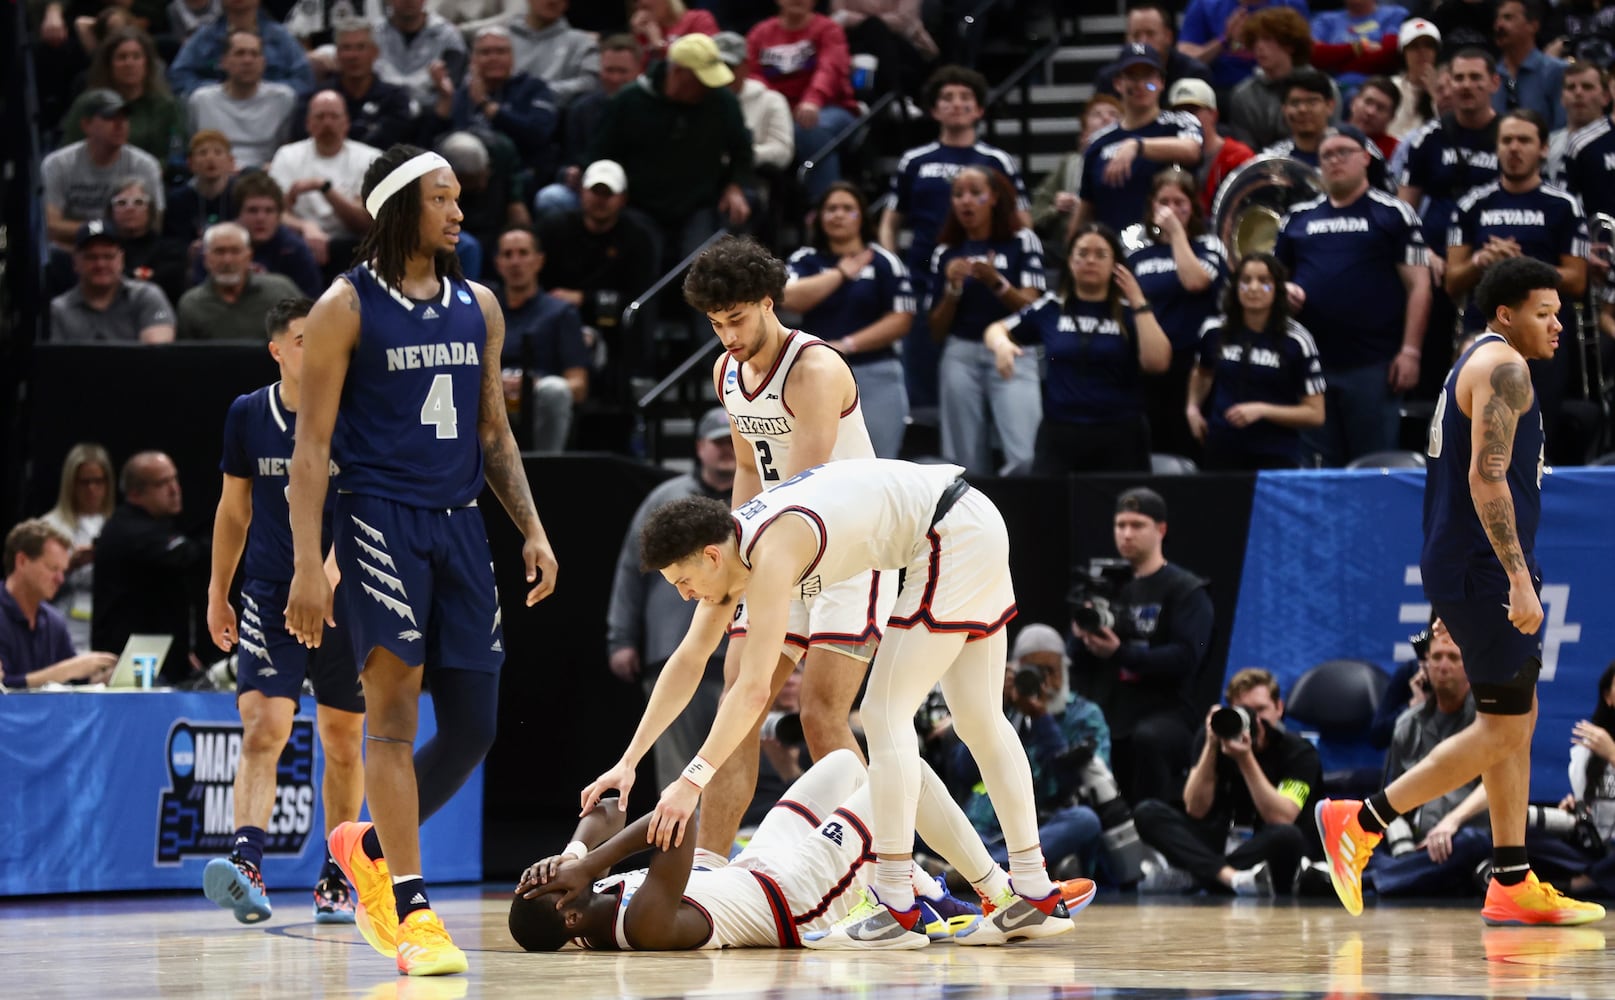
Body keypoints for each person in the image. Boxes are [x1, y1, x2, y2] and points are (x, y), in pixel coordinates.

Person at [580, 458, 1071, 949]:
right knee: (980, 718)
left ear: (710, 557)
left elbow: (752, 690)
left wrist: (691, 783)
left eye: (682, 583)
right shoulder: (735, 550)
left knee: (881, 713)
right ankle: (1032, 891)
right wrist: (628, 762)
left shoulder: (772, 551)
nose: (686, 596)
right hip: (970, 522)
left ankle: (894, 903)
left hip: (948, 535)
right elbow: (687, 662)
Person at [285, 143, 560, 976]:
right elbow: (311, 447)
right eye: (443, 199)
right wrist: (307, 564)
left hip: (461, 526)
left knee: (474, 724)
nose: (459, 212)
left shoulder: (479, 303)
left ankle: (366, 847)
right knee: (394, 717)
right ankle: (410, 910)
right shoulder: (344, 306)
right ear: (402, 207)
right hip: (379, 523)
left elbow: (493, 429)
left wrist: (533, 528)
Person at [1316, 256, 1607, 927]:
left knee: (1517, 720)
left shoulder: (1477, 359)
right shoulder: (1503, 368)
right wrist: (1514, 577)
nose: (1559, 325)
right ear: (1504, 313)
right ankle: (1359, 821)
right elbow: (1486, 480)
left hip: (1466, 560)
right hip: (1481, 567)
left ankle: (1510, 877)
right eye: (1545, 313)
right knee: (1503, 727)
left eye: (1559, 313)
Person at [666, 236, 894, 876]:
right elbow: (747, 466)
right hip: (777, 545)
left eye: (736, 319)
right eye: (715, 325)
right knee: (740, 698)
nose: (727, 336)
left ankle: (884, 871)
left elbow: (806, 488)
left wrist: (751, 562)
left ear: (769, 302)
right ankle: (709, 865)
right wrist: (735, 545)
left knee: (823, 714)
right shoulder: (725, 373)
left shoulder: (816, 370)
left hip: (850, 547)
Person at [514, 749, 1087, 950]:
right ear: (567, 911)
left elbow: (609, 809)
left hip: (758, 866)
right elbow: (676, 821)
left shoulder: (578, 909)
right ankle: (993, 892)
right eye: (548, 885)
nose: (549, 876)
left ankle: (917, 886)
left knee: (842, 764)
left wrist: (571, 852)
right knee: (903, 771)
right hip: (794, 898)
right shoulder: (644, 926)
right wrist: (587, 863)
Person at [201, 297, 366, 927]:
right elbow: (233, 510)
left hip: (345, 590)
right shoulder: (248, 414)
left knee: (344, 741)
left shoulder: (353, 412)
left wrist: (323, 578)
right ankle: (246, 862)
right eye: (303, 339)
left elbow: (365, 509)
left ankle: (336, 875)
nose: (317, 349)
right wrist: (219, 590)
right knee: (263, 725)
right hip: (270, 592)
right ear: (278, 350)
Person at [1275, 125, 1429, 466]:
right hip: (1311, 364)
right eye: (1327, 155)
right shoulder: (1297, 219)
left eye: (1343, 152)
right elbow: (1273, 283)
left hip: (1375, 363)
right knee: (1317, 468)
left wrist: (1411, 351)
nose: (1334, 161)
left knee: (1373, 464)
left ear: (1365, 158)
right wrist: (1283, 294)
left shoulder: (1393, 213)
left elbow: (1419, 285)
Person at [880, 64, 1030, 409]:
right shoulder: (915, 160)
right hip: (925, 280)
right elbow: (891, 219)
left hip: (984, 279)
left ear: (979, 109)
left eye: (966, 97)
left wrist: (1014, 264)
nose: (957, 103)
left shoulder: (997, 160)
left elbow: (1022, 221)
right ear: (934, 109)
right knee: (924, 375)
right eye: (947, 97)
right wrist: (895, 267)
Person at [1446, 109, 1587, 463]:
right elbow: (1451, 280)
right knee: (1480, 434)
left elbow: (1578, 280)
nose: (1514, 148)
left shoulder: (1564, 206)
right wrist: (1481, 261)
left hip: (1544, 336)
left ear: (1542, 149)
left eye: (1524, 140)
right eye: (1507, 140)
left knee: (1539, 433)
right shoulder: (1471, 204)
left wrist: (1521, 267)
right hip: (1485, 333)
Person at [607, 408, 736, 790]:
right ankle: (684, 849)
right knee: (677, 773)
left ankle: (728, 847)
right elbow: (632, 569)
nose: (726, 451)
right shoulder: (666, 499)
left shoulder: (759, 503)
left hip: (739, 650)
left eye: (732, 441)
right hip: (671, 647)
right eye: (718, 443)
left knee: (733, 767)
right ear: (699, 447)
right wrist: (621, 638)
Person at [1068, 488, 1215, 808]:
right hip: (1111, 708)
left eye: (1137, 525)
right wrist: (1081, 635)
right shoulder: (1108, 585)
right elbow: (1074, 660)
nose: (1126, 534)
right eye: (1120, 525)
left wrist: (1121, 653)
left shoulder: (1187, 590)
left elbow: (1189, 657)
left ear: (1161, 529)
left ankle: (1154, 825)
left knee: (1147, 738)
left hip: (1168, 711)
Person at [985, 223, 1170, 474]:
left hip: (1120, 436)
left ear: (1116, 263)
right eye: (1082, 253)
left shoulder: (1130, 311)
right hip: (1060, 435)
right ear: (1070, 262)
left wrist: (1138, 301)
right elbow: (996, 329)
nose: (1090, 260)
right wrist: (1002, 346)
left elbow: (1158, 362)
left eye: (1100, 254)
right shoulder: (1052, 307)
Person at [1133, 668, 1320, 897]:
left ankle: (1196, 875)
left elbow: (1282, 817)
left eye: (1261, 709)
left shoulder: (1299, 752)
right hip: (1217, 840)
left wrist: (1245, 758)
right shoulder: (1212, 738)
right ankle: (1229, 878)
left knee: (1287, 836)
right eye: (1245, 711)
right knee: (1147, 812)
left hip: (1264, 849)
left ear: (1279, 708)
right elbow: (1195, 809)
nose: (1255, 719)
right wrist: (1211, 746)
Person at [586, 32, 753, 271]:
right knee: (642, 263)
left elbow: (742, 151)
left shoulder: (722, 101)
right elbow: (601, 153)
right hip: (639, 205)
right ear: (678, 72)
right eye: (701, 79)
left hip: (700, 204)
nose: (708, 87)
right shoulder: (629, 101)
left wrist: (735, 185)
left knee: (705, 268)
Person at [954, 624, 1107, 878]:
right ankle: (997, 868)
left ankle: (979, 870)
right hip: (983, 828)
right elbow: (963, 772)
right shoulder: (1001, 711)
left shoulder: (1084, 715)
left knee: (1085, 821)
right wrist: (991, 706)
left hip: (1043, 827)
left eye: (1050, 671)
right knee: (921, 817)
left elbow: (1076, 784)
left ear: (1065, 671)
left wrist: (1042, 718)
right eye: (1031, 672)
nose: (1042, 681)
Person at [929, 167, 1047, 475]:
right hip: (960, 353)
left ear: (994, 197)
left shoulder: (1022, 241)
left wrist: (997, 283)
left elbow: (1034, 309)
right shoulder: (946, 252)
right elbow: (936, 330)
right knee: (961, 464)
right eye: (958, 194)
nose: (966, 201)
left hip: (1013, 350)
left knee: (1025, 455)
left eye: (975, 193)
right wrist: (952, 290)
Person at [783, 182, 915, 458]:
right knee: (821, 462)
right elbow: (788, 298)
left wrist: (846, 344)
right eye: (831, 209)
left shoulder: (884, 262)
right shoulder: (804, 259)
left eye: (848, 209)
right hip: (816, 375)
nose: (838, 215)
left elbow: (901, 320)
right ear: (819, 217)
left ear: (862, 217)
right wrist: (840, 274)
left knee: (879, 462)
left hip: (876, 372)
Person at [1365, 620, 1495, 898]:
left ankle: (1371, 882)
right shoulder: (1407, 723)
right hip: (1417, 842)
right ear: (1425, 666)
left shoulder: (1489, 721)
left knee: (1472, 845)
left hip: (1465, 832)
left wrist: (1452, 821)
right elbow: (1389, 795)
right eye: (1436, 657)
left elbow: (1498, 786)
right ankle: (1403, 873)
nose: (1443, 665)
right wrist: (1402, 842)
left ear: (1470, 669)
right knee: (1367, 839)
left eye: (1453, 657)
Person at [1124, 167, 1229, 459]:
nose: (1171, 210)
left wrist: (1177, 234)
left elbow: (1195, 281)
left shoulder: (1208, 246)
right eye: (1164, 202)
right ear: (1151, 207)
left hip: (1196, 369)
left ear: (1193, 208)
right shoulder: (1138, 255)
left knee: (1192, 449)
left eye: (1179, 202)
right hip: (1150, 367)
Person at [1188, 252, 1327, 470]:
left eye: (1264, 281)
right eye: (1245, 280)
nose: (1253, 288)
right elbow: (1202, 372)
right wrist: (1192, 408)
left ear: (1278, 289)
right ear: (1235, 287)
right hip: (1222, 447)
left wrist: (1263, 410)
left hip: (1275, 452)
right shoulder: (1214, 330)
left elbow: (1315, 414)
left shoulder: (1297, 340)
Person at [535, 159, 659, 400]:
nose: (600, 200)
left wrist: (583, 298)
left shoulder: (637, 237)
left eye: (608, 193)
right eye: (595, 191)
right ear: (582, 192)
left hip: (611, 329)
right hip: (556, 319)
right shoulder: (553, 229)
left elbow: (640, 296)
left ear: (622, 198)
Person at [92, 451, 207, 685]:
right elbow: (190, 556)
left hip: (158, 660)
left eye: (174, 479)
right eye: (163, 483)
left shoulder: (154, 526)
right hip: (129, 668)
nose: (174, 489)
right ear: (135, 492)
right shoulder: (130, 531)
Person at [1076, 45, 1204, 241]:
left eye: (1149, 78)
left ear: (1161, 82)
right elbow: (1086, 207)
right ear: (1118, 83)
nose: (1141, 85)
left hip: (1166, 248)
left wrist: (1138, 146)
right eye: (1133, 77)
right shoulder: (1098, 142)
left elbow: (1192, 149)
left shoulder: (1179, 123)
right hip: (1114, 252)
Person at [746, 0, 861, 207]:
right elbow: (752, 74)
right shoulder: (760, 33)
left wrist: (813, 99)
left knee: (809, 127)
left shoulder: (827, 28)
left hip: (831, 109)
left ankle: (824, 209)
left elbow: (830, 68)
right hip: (780, 112)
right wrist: (777, 105)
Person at [493, 226, 590, 453]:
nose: (515, 262)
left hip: (538, 400)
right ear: (498, 263)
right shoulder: (482, 309)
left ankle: (547, 467)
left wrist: (531, 385)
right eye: (508, 254)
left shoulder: (561, 312)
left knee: (554, 389)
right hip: (492, 398)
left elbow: (579, 385)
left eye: (523, 253)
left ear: (539, 261)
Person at [267, 91, 382, 276]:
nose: (327, 123)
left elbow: (365, 223)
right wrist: (305, 226)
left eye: (334, 116)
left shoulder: (370, 158)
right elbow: (275, 212)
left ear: (346, 123)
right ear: (308, 124)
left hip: (352, 245)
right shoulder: (287, 155)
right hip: (298, 242)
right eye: (320, 116)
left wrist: (324, 188)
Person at [42, 89, 167, 252]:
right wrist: (104, 230)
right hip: (73, 251)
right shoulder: (57, 164)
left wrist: (99, 234)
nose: (120, 124)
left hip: (131, 250)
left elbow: (154, 225)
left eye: (124, 117)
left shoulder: (145, 164)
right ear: (86, 125)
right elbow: (51, 226)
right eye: (110, 118)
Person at [0, 520, 117, 690]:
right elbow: (4, 687)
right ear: (22, 561)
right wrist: (62, 672)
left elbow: (73, 679)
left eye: (63, 571)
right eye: (53, 568)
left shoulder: (53, 621)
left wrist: (101, 678)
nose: (60, 579)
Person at [58, 27, 186, 165]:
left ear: (147, 64)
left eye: (136, 57)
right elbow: (68, 153)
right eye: (122, 57)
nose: (129, 63)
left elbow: (177, 155)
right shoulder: (89, 105)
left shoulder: (167, 105)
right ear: (109, 65)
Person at [185, 29, 298, 171]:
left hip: (266, 177)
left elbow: (289, 150)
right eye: (240, 53)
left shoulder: (283, 99)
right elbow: (193, 149)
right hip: (215, 177)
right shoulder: (201, 100)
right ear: (224, 62)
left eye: (254, 54)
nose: (247, 60)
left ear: (263, 62)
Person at [50, 220, 177, 344]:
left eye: (108, 256)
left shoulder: (147, 296)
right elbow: (57, 361)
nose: (100, 264)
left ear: (121, 260)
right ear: (75, 262)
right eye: (91, 257)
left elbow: (157, 354)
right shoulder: (59, 309)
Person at [41, 443, 115, 652]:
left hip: (105, 625)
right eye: (84, 482)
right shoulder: (50, 526)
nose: (92, 489)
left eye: (98, 481)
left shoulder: (115, 525)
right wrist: (70, 565)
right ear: (70, 483)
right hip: (65, 622)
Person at [177, 222, 305, 341]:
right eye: (219, 252)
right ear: (206, 259)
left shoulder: (281, 291)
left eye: (235, 251)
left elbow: (309, 337)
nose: (227, 260)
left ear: (249, 256)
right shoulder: (191, 304)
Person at [167, 0, 314, 97]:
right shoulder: (204, 37)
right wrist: (220, 91)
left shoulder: (280, 37)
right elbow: (179, 76)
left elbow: (304, 79)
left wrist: (266, 92)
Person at [1167, 79, 1255, 217]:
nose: (1185, 118)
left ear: (1213, 114)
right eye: (1178, 113)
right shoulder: (1167, 157)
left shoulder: (1238, 156)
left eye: (1192, 111)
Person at [1095, 0, 1215, 98]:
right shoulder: (1110, 78)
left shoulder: (1192, 74)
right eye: (1136, 35)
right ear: (1126, 39)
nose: (1143, 42)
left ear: (1168, 37)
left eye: (1150, 34)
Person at [108, 177, 189, 307]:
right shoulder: (103, 250)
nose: (130, 208)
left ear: (150, 209)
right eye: (122, 203)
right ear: (111, 211)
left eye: (139, 202)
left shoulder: (172, 250)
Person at [504, 0, 600, 106]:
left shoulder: (582, 41)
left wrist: (541, 91)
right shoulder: (500, 39)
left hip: (558, 115)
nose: (553, 1)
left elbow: (590, 83)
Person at [1491, 0, 1566, 130]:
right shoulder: (1491, 75)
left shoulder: (1556, 71)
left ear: (1533, 26)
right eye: (1498, 19)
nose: (1499, 25)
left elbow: (1562, 130)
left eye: (1508, 18)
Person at [163, 130, 240, 247]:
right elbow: (171, 243)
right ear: (190, 163)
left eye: (218, 152)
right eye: (202, 153)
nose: (210, 158)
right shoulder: (177, 200)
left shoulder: (241, 196)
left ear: (231, 162)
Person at [1545, 61, 1606, 188]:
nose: (1578, 93)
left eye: (1587, 87)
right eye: (1571, 87)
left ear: (1605, 97)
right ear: (1562, 98)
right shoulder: (1547, 145)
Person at [632, 0, 720, 68]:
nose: (643, 2)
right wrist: (639, 39)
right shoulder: (646, 31)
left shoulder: (698, 19)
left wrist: (659, 45)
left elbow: (708, 57)